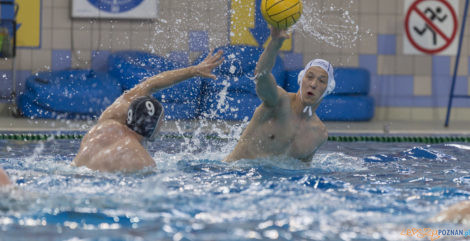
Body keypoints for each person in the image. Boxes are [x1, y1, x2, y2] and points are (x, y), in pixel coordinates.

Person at [72, 50, 224, 172]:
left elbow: (148, 85)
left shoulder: (106, 123)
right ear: (152, 126)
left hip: (72, 174)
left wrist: (193, 70)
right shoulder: (142, 161)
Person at [224, 26, 335, 162]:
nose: (313, 84)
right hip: (236, 174)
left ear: (328, 89)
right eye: (309, 77)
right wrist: (275, 43)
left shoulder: (319, 134)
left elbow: (302, 172)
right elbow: (261, 75)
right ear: (301, 79)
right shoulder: (279, 101)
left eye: (322, 81)